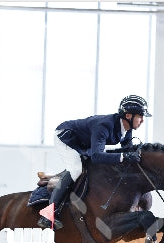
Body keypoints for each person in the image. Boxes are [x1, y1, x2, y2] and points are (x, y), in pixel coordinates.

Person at [37, 94, 152, 230]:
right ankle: (47, 215)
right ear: (128, 116)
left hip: (83, 143)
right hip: (66, 137)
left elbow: (127, 151)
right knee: (76, 170)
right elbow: (97, 156)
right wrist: (125, 157)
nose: (143, 121)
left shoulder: (127, 130)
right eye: (140, 116)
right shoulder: (104, 126)